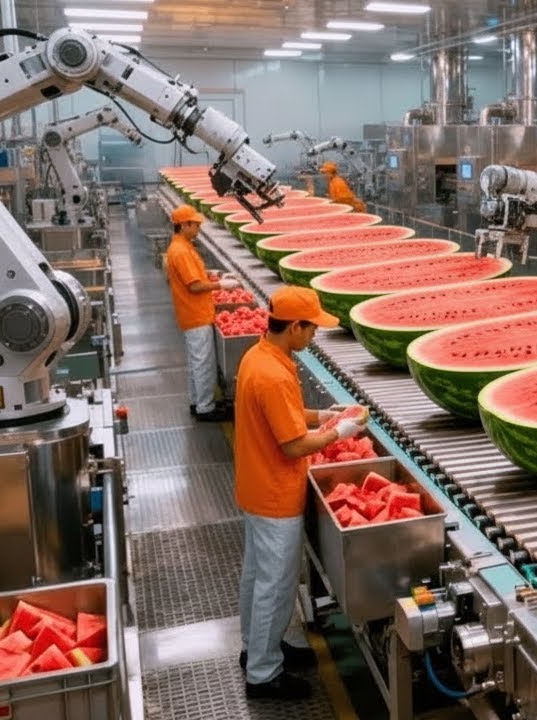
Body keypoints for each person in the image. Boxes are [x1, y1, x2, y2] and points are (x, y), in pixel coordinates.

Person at [233, 285, 367, 699]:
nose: (315, 336)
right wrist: (338, 431)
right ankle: (263, 674)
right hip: (275, 494)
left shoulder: (261, 356)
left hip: (255, 486)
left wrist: (320, 415)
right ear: (294, 327)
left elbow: (284, 416)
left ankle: (257, 648)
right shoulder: (272, 373)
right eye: (312, 329)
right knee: (276, 584)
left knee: (257, 577)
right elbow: (293, 445)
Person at [165, 204, 240, 422]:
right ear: (183, 225)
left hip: (193, 313)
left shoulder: (183, 246)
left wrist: (212, 274)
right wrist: (221, 287)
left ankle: (197, 401)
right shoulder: (180, 251)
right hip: (195, 313)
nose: (198, 228)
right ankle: (205, 408)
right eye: (195, 224)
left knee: (195, 361)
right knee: (203, 362)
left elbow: (194, 275)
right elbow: (194, 286)